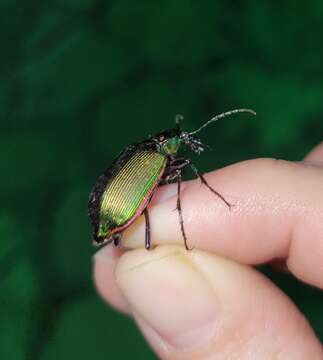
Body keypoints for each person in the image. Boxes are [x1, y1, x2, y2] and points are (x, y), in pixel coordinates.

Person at [93, 143, 323, 359]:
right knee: (166, 188)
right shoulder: (154, 157)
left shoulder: (146, 151)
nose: (189, 144)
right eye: (183, 140)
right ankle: (174, 216)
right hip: (119, 209)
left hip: (110, 205)